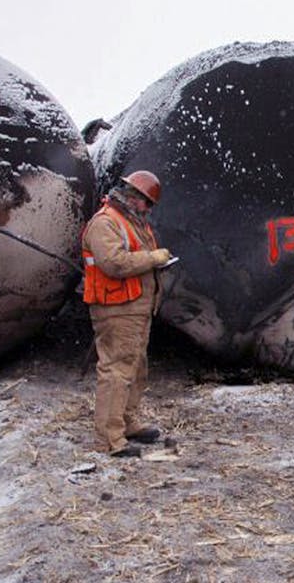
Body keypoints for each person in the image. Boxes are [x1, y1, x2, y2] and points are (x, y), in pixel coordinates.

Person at [81, 170, 172, 458]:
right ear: (134, 197)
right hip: (117, 308)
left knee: (135, 366)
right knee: (116, 370)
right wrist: (153, 258)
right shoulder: (105, 223)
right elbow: (114, 264)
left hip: (136, 308)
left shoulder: (133, 222)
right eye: (147, 203)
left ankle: (127, 422)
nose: (148, 209)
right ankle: (110, 438)